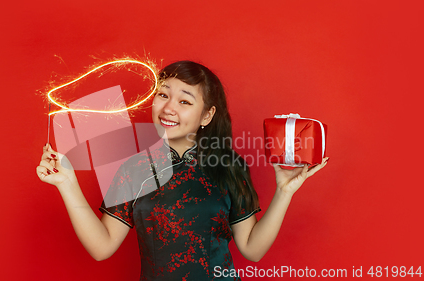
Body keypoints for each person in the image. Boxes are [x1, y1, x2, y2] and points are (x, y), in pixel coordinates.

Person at [36, 61, 328, 280]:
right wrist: (67, 183)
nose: (168, 108)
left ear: (207, 115)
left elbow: (252, 249)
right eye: (163, 95)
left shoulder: (230, 166)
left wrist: (284, 191)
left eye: (185, 101)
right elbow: (102, 247)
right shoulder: (135, 169)